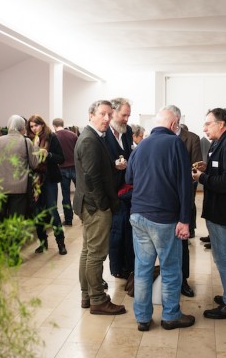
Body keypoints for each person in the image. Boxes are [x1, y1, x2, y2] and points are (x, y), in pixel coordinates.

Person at [126, 106, 195, 332]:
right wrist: (185, 220)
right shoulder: (176, 144)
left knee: (143, 269)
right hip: (164, 218)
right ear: (174, 124)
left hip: (138, 215)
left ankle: (143, 318)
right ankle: (170, 316)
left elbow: (129, 177)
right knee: (170, 268)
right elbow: (186, 185)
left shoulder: (141, 145)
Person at [192, 108, 226, 319]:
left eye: (208, 123)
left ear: (221, 123)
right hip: (220, 207)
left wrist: (202, 178)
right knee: (221, 253)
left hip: (224, 208)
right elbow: (224, 169)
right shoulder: (224, 140)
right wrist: (209, 169)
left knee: (222, 255)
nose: (205, 128)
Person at [74, 100, 125, 315]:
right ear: (91, 115)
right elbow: (92, 178)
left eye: (109, 114)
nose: (107, 118)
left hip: (89, 204)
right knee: (96, 254)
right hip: (95, 206)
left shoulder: (94, 137)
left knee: (88, 252)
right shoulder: (89, 140)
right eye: (102, 114)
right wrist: (103, 206)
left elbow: (97, 170)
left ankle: (87, 296)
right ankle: (97, 299)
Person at [0, 115, 43, 263]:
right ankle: (13, 256)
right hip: (19, 189)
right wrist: (36, 146)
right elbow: (34, 164)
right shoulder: (25, 141)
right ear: (22, 126)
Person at [27, 115, 67, 255]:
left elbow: (61, 158)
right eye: (31, 126)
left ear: (42, 125)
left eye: (36, 125)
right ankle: (42, 243)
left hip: (49, 179)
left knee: (52, 211)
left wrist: (48, 154)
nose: (34, 128)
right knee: (37, 213)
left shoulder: (51, 137)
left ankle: (61, 243)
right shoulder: (29, 140)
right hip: (35, 180)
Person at [104, 98, 134, 280]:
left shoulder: (127, 131)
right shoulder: (103, 133)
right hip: (111, 191)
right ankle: (116, 268)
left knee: (127, 230)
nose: (126, 119)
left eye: (128, 115)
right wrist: (114, 166)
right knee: (115, 232)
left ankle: (127, 266)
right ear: (113, 112)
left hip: (127, 190)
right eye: (124, 115)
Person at [171, 107, 200, 297]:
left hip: (183, 195)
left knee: (182, 242)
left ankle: (183, 280)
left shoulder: (192, 138)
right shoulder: (159, 138)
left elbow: (196, 167)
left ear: (176, 121)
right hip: (163, 198)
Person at [52, 117, 78, 226]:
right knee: (82, 192)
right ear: (63, 124)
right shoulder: (73, 135)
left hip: (62, 168)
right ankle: (85, 217)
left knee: (66, 196)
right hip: (75, 167)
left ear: (53, 126)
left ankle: (68, 220)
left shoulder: (54, 137)